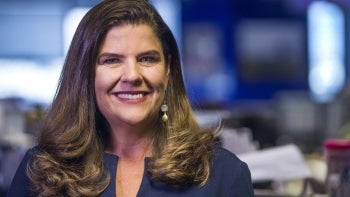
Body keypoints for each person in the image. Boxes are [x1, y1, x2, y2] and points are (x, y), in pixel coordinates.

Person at [7, 0, 254, 196]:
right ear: (85, 73)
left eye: (147, 59)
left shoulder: (222, 173)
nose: (132, 75)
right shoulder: (40, 170)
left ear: (167, 70)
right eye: (112, 60)